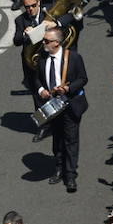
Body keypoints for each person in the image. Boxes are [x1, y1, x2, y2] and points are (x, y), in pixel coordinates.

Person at [31, 24, 88, 193]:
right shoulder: (41, 57)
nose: (44, 43)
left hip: (70, 104)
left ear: (57, 43)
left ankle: (70, 175)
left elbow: (83, 78)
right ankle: (58, 167)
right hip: (52, 106)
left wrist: (68, 89)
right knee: (57, 138)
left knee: (71, 140)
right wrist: (41, 90)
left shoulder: (74, 58)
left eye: (47, 41)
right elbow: (36, 79)